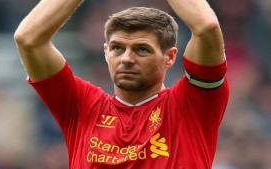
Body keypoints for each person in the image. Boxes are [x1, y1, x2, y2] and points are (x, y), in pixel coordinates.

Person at [14, 0, 229, 168]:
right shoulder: (81, 106)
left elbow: (207, 28)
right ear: (106, 52)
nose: (126, 58)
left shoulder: (192, 104)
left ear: (170, 57)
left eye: (142, 49)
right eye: (117, 48)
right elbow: (28, 39)